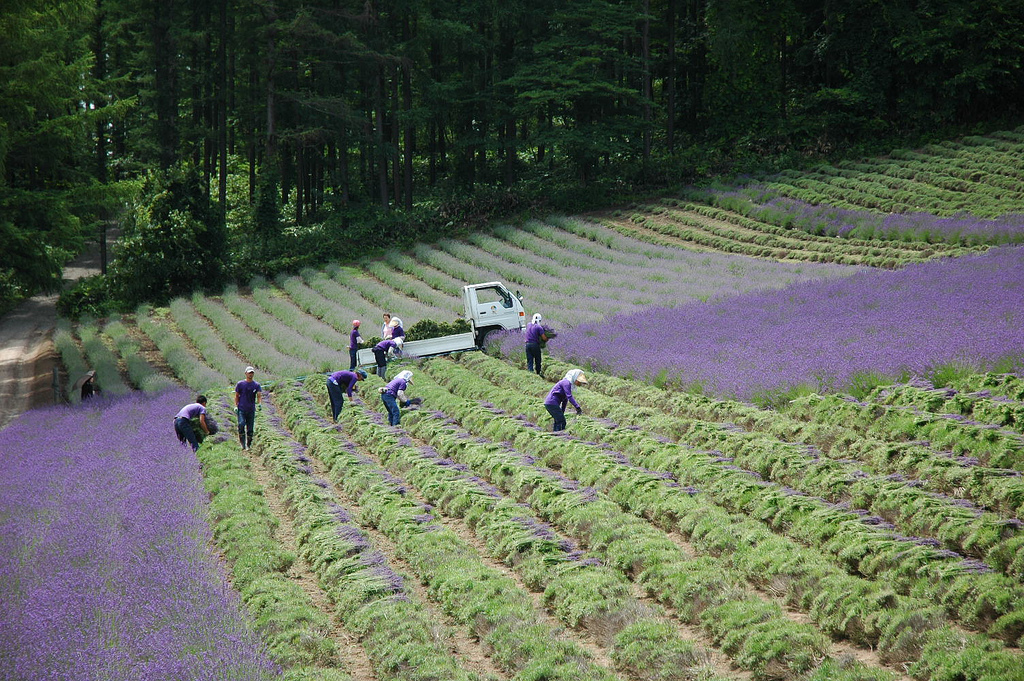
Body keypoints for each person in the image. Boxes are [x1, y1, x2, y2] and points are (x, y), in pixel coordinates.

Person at [234, 366, 262, 450]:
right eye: (249, 373)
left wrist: (259, 403)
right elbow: (236, 396)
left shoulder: (256, 385)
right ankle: (242, 443)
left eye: (252, 373)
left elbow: (259, 395)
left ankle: (248, 444)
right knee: (241, 424)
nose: (251, 374)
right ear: (246, 373)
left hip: (251, 409)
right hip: (242, 409)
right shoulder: (240, 384)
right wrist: (236, 406)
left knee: (250, 429)